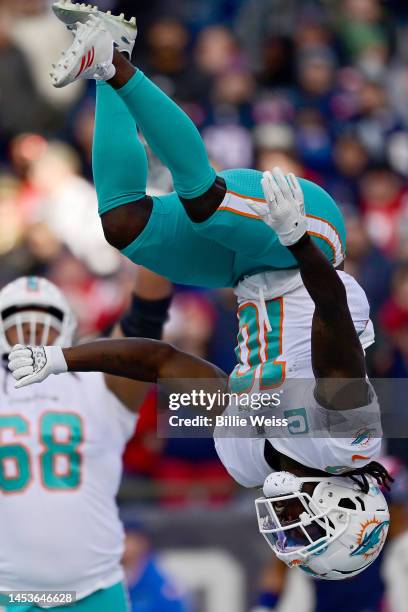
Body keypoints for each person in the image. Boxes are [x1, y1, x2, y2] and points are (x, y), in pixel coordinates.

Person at [9, 172, 392, 581]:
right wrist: (298, 239)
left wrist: (61, 358)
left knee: (125, 225)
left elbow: (162, 362)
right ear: (345, 503)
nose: (286, 523)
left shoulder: (246, 462)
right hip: (308, 260)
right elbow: (332, 311)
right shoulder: (347, 441)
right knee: (198, 192)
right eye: (307, 528)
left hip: (244, 279)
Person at [47, 2, 345, 289]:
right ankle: (112, 61)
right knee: (203, 202)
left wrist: (61, 346)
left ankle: (112, 53)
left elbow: (159, 344)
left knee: (123, 223)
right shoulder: (350, 326)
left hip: (244, 272)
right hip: (309, 236)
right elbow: (339, 319)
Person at [0, 270, 172, 612]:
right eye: (19, 321)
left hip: (95, 589)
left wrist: (156, 237)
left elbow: (143, 325)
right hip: (9, 594)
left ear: (65, 326)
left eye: (44, 320)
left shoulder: (97, 383)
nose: (33, 330)